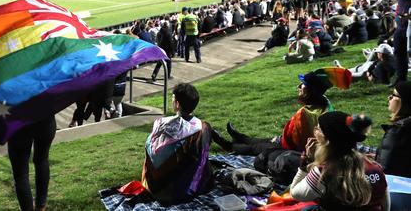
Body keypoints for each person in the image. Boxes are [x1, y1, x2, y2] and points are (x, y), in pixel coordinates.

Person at [215, 69, 344, 155]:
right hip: (302, 145)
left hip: (297, 151)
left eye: (302, 84)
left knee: (258, 148)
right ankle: (239, 137)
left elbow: (296, 142)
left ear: (310, 90)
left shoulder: (305, 113)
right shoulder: (326, 104)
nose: (298, 87)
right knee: (261, 140)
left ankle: (228, 145)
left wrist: (278, 141)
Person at [290, 112, 389, 211]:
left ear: (327, 140)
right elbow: (386, 205)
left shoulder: (323, 172)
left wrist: (305, 163)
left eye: (318, 128)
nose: (314, 131)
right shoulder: (375, 167)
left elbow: (295, 193)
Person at [141, 83, 213, 204]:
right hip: (183, 191)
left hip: (151, 186)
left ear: (177, 104)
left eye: (173, 98)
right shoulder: (202, 128)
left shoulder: (160, 123)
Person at [7, 114, 56, 211]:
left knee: (21, 174)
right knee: (42, 160)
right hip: (45, 116)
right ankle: (41, 206)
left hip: (18, 121)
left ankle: (38, 206)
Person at [375, 81, 411, 177]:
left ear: (404, 101)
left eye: (393, 95)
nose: (389, 97)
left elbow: (383, 168)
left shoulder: (398, 130)